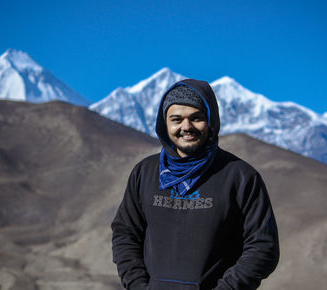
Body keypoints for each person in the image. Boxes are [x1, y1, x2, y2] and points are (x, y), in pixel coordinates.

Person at [111, 79, 279, 290]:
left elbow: (263, 247)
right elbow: (125, 234)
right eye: (176, 119)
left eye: (196, 118)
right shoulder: (144, 173)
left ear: (211, 121)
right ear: (165, 124)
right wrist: (137, 285)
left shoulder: (240, 176)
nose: (186, 127)